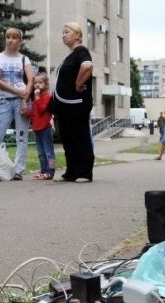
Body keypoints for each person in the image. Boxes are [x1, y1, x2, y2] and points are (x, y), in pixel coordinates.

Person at [0, 27, 34, 181]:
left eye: (14, 37)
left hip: (21, 102)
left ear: (20, 41)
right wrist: (18, 91)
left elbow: (31, 79)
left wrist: (24, 97)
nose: (10, 40)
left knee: (22, 137)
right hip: (4, 102)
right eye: (8, 37)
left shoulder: (24, 59)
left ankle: (19, 170)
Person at [53, 22, 94, 183]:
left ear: (77, 35)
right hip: (65, 105)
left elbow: (87, 65)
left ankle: (84, 173)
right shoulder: (70, 54)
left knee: (80, 136)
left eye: (67, 32)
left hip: (77, 103)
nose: (63, 35)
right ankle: (71, 172)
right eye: (62, 32)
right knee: (68, 138)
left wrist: (78, 83)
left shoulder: (81, 51)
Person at [29, 72, 55, 180]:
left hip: (45, 128)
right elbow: (35, 112)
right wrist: (26, 113)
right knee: (40, 153)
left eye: (40, 82)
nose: (37, 85)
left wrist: (37, 97)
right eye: (35, 83)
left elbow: (41, 109)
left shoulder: (47, 97)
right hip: (37, 128)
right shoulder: (37, 98)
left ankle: (50, 171)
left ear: (46, 84)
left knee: (48, 151)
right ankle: (43, 171)